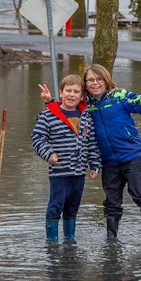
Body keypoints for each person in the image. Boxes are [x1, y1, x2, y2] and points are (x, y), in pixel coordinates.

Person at [42, 64, 141, 242]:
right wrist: (49, 102)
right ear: (86, 85)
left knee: (140, 194)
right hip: (108, 161)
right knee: (111, 201)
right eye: (90, 80)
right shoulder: (86, 106)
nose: (95, 83)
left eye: (98, 79)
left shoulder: (120, 97)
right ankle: (111, 239)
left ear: (106, 80)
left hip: (131, 156)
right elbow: (64, 109)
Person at [31, 74, 100, 243]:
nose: (72, 94)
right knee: (55, 207)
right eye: (68, 90)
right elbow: (37, 137)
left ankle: (70, 239)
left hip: (79, 172)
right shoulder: (49, 115)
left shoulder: (86, 116)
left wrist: (95, 164)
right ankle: (52, 241)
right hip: (59, 171)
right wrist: (48, 154)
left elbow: (91, 142)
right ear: (61, 92)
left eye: (76, 92)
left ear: (82, 96)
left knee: (72, 208)